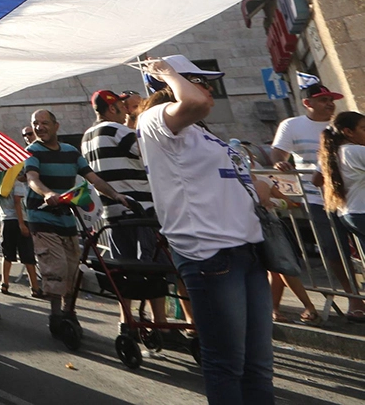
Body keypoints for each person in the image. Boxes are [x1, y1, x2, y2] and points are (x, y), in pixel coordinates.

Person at [139, 55, 275, 404]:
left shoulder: (202, 133)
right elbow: (195, 102)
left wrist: (260, 190)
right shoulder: (155, 119)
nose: (208, 88)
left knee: (258, 365)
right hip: (210, 256)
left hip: (248, 252)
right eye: (198, 79)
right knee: (227, 364)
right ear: (171, 86)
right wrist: (165, 71)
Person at [24, 109, 135, 340]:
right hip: (42, 218)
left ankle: (68, 312)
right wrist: (47, 193)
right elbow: (32, 179)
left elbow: (93, 178)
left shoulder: (71, 152)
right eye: (36, 123)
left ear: (56, 126)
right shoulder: (33, 151)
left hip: (67, 217)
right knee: (56, 267)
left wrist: (116, 195)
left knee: (73, 268)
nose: (39, 127)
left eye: (45, 123)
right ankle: (56, 316)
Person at [270, 82, 363, 319]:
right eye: (323, 99)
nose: (329, 103)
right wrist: (280, 163)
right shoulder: (292, 125)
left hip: (351, 199)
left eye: (331, 99)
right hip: (317, 200)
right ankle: (354, 298)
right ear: (307, 103)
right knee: (333, 249)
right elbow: (278, 153)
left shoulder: (340, 126)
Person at [83, 89, 170, 329]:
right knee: (153, 266)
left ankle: (126, 320)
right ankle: (160, 322)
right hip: (139, 209)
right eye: (123, 107)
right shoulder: (118, 130)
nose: (126, 112)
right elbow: (150, 155)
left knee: (124, 268)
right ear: (112, 108)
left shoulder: (88, 136)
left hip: (112, 213)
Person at [0, 169, 43, 298]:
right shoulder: (17, 183)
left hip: (6, 221)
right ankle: (35, 287)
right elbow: (17, 202)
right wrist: (22, 224)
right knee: (27, 255)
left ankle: (4, 283)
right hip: (20, 220)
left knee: (7, 254)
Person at [322, 111, 365, 248]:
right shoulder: (356, 151)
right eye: (364, 129)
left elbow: (316, 179)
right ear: (348, 132)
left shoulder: (334, 152)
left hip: (349, 213)